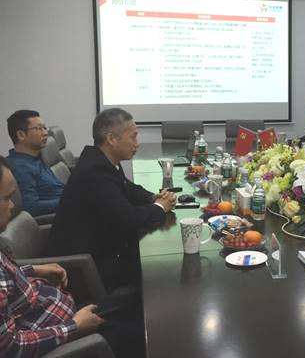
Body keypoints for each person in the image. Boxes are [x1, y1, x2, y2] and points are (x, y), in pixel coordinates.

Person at [50, 108, 176, 292]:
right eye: (133, 137)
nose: (137, 144)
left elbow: (127, 188)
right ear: (111, 139)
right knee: (163, 271)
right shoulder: (95, 172)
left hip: (103, 249)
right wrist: (160, 207)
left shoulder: (102, 160)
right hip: (87, 268)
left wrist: (152, 197)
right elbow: (129, 218)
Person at [0, 155, 106, 357]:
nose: (12, 205)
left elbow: (6, 284)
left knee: (125, 306)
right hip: (66, 343)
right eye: (6, 198)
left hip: (59, 313)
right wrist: (74, 327)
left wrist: (32, 270)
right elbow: (11, 348)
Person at [6, 110, 64, 216]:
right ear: (21, 135)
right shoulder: (20, 167)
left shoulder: (36, 157)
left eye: (45, 128)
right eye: (38, 128)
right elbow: (31, 207)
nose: (45, 133)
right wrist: (69, 200)